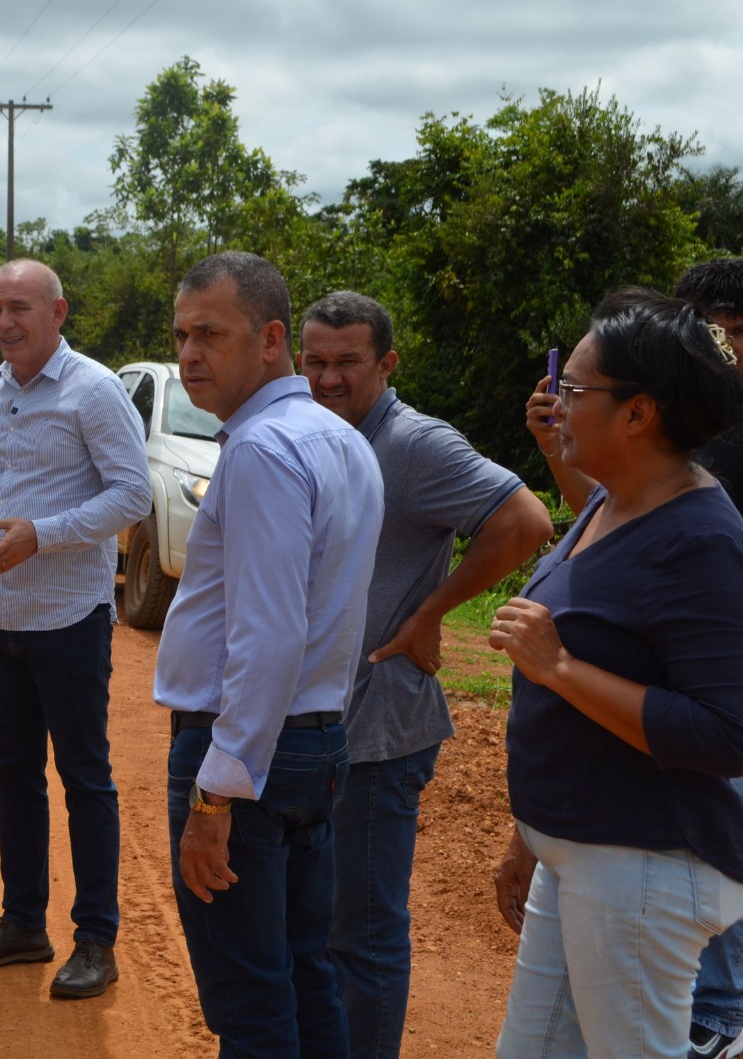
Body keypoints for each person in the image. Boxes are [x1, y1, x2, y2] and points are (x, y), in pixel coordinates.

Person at [493, 289, 743, 1058]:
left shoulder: (700, 541)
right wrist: (529, 839)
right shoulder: (614, 503)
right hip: (581, 851)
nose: (558, 403)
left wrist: (561, 666)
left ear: (639, 413)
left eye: (575, 391)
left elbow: (730, 734)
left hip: (644, 866)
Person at [298, 291, 552, 1058]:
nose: (329, 378)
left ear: (386, 362)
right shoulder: (320, 436)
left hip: (378, 728)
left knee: (363, 935)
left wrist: (429, 611)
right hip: (323, 720)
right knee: (316, 923)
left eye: (347, 362)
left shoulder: (411, 444)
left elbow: (526, 522)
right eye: (315, 361)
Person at [155, 251, 384, 1057]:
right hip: (315, 742)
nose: (189, 353)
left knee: (252, 1004)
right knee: (302, 972)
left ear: (271, 339)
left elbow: (269, 632)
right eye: (182, 333)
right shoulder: (340, 438)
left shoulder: (260, 449)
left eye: (211, 333)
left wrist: (216, 794)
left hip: (245, 750)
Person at [0, 259, 150, 999]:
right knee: (14, 774)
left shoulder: (93, 390)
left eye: (20, 307)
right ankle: (24, 923)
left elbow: (133, 493)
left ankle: (97, 938)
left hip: (68, 616)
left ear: (58, 312)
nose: (4, 322)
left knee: (85, 778)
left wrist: (43, 534)